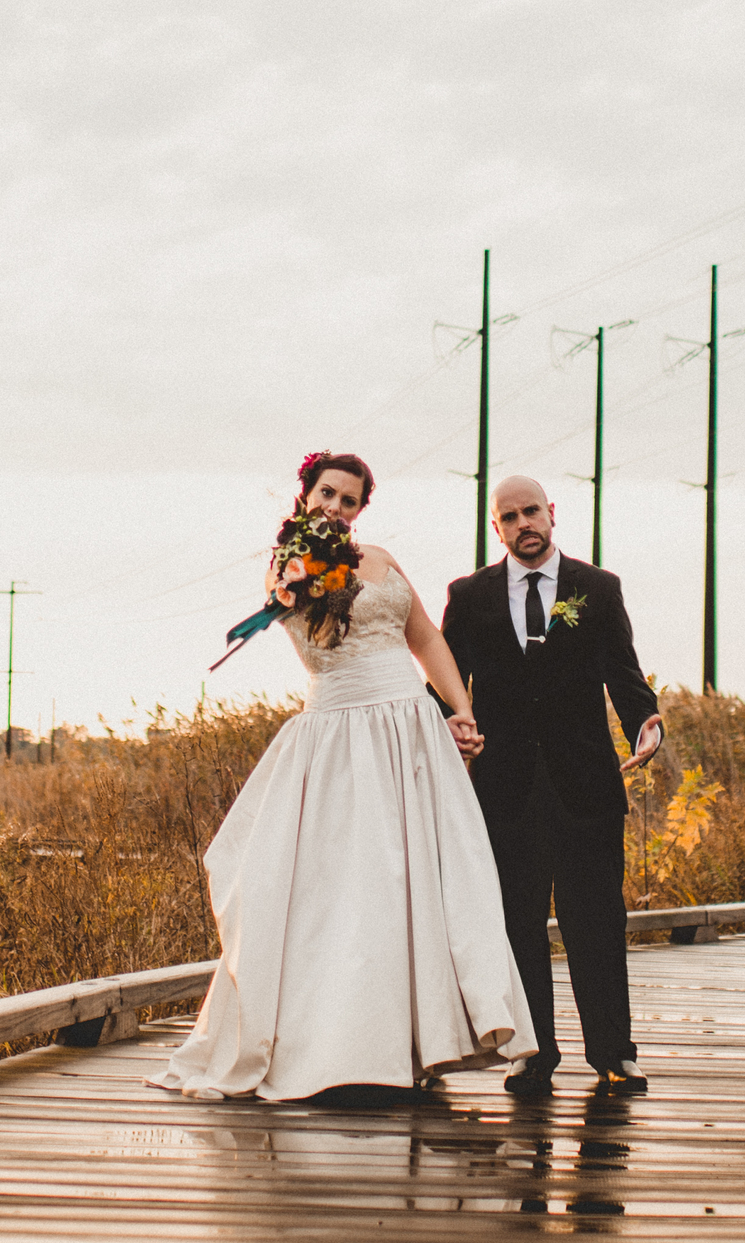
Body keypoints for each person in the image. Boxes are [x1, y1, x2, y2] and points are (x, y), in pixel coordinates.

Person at [150, 452, 537, 1100]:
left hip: (411, 727)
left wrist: (459, 709)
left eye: (349, 500)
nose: (336, 507)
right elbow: (315, 640)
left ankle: (422, 1045)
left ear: (361, 509)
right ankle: (342, 1046)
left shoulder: (382, 560)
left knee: (425, 881)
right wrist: (309, 575)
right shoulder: (289, 570)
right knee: (351, 885)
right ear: (305, 496)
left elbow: (425, 639)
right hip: (343, 733)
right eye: (327, 493)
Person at [441, 475, 663, 1096]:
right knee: (517, 924)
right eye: (508, 517)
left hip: (586, 785)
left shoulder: (597, 589)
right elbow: (447, 687)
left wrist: (645, 721)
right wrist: (450, 734)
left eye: (530, 511)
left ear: (552, 513)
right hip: (504, 790)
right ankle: (531, 1053)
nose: (522, 525)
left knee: (596, 920)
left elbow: (623, 672)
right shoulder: (470, 596)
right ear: (497, 527)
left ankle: (614, 1054)